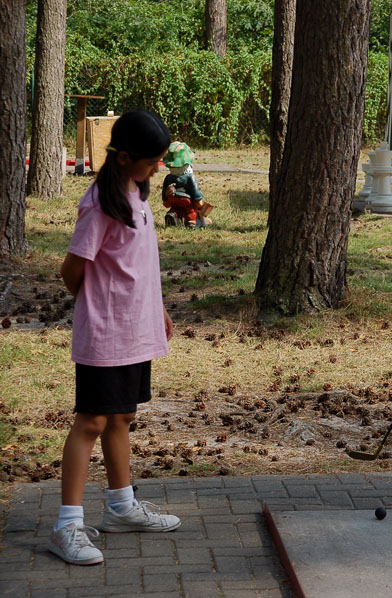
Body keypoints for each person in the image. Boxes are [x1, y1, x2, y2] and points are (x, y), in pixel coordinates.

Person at [50, 110, 181, 566]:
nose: (159, 168)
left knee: (122, 416)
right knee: (91, 421)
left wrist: (155, 308)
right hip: (106, 333)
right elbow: (72, 270)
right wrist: (98, 306)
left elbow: (138, 264)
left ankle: (121, 507)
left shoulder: (136, 193)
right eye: (152, 161)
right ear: (124, 157)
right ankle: (67, 526)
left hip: (135, 329)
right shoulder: (100, 204)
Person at [162, 141, 212, 228]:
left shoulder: (168, 177)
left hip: (173, 199)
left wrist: (166, 199)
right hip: (187, 200)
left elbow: (164, 197)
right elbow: (196, 194)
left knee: (175, 209)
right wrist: (200, 203)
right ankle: (192, 221)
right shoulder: (190, 177)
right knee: (191, 210)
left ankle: (173, 215)